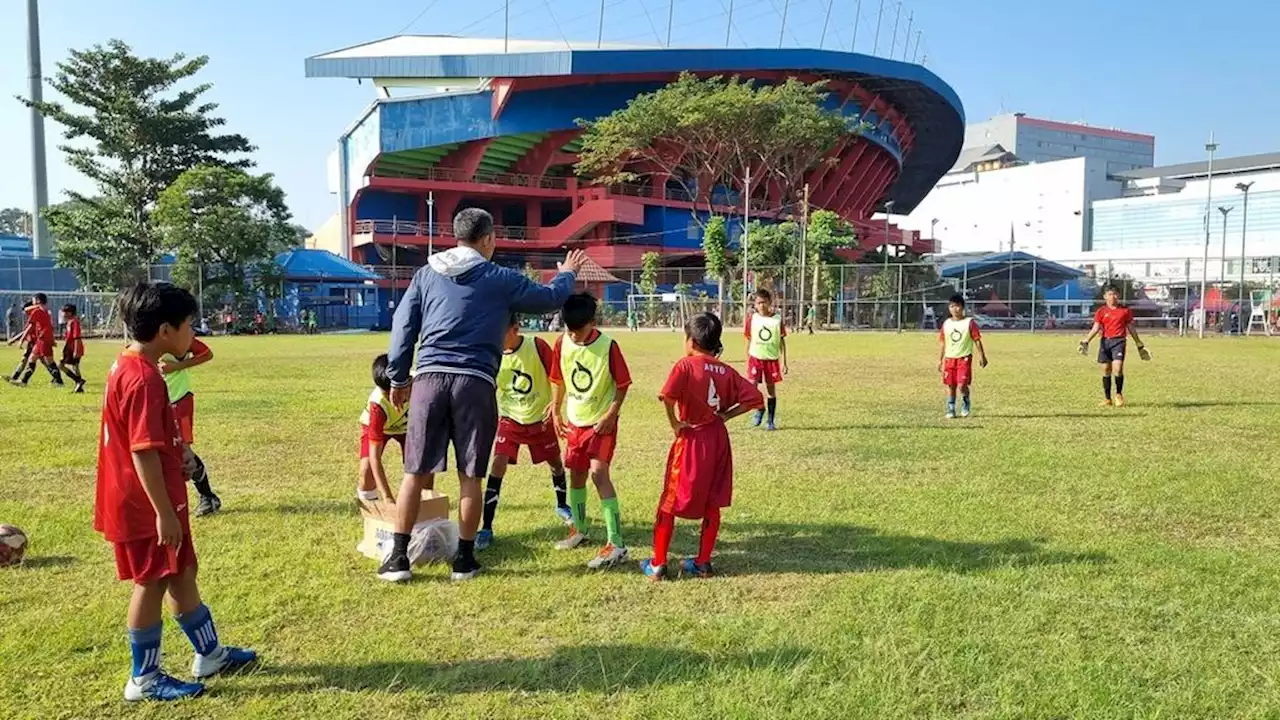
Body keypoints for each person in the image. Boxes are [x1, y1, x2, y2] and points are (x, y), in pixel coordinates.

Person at [380, 208, 584, 583]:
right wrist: (568, 272)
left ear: (456, 236)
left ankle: (397, 559)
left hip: (428, 379)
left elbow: (403, 325)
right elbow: (549, 297)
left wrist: (397, 377)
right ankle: (464, 561)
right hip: (474, 382)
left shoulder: (425, 274)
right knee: (470, 475)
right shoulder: (500, 277)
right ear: (488, 239)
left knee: (414, 472)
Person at [95, 282, 255, 702]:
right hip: (146, 503)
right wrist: (163, 512)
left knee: (182, 571)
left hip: (160, 494)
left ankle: (210, 654)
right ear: (166, 329)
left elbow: (149, 440)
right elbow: (142, 452)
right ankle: (143, 679)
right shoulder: (144, 379)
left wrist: (179, 454)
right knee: (151, 580)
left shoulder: (129, 364)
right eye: (189, 325)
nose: (193, 333)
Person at [641, 313, 763, 581]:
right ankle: (703, 562)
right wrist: (727, 416)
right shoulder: (727, 370)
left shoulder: (685, 366)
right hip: (718, 439)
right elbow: (756, 398)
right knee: (712, 500)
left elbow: (668, 397)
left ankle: (658, 563)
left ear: (691, 340)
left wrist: (675, 423)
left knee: (669, 501)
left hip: (692, 437)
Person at [550, 292, 632, 569]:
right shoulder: (562, 342)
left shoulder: (609, 346)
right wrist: (556, 408)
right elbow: (558, 378)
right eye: (569, 330)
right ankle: (580, 529)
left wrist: (611, 414)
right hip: (575, 421)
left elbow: (622, 384)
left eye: (579, 330)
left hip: (601, 422)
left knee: (599, 473)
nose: (573, 335)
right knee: (576, 474)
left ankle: (616, 543)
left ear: (593, 322)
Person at [478, 312, 572, 551]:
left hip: (540, 416)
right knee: (498, 463)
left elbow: (557, 374)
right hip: (510, 418)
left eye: (502, 333)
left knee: (554, 462)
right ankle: (486, 527)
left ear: (515, 329)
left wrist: (556, 403)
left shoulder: (537, 346)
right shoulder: (493, 355)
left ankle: (562, 505)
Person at [160, 335, 221, 516]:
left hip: (180, 399)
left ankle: (208, 497)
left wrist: (176, 367)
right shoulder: (149, 333)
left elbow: (207, 354)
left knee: (183, 450)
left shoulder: (180, 334)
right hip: (159, 400)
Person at [1079, 286, 1151, 407]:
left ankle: (1118, 394)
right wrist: (1086, 341)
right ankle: (1107, 399)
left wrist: (1139, 343)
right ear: (1105, 296)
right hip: (1105, 342)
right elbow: (1095, 328)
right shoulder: (1101, 311)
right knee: (1106, 370)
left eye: (1115, 294)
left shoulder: (1125, 310)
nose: (1113, 297)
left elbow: (1131, 328)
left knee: (1118, 369)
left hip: (1119, 341)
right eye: (1110, 294)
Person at [357, 354, 407, 504]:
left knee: (422, 466)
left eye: (398, 392)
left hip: (406, 428)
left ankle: (423, 504)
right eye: (387, 394)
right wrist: (387, 497)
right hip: (381, 427)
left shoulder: (419, 385)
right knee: (366, 474)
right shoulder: (377, 405)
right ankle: (371, 510)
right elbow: (375, 457)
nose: (394, 399)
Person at [938, 294, 989, 419]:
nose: (955, 309)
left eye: (957, 306)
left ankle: (966, 402)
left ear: (962, 307)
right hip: (950, 359)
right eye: (952, 306)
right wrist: (940, 360)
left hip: (964, 358)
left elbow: (977, 340)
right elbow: (943, 343)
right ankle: (951, 408)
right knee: (951, 385)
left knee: (962, 385)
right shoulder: (947, 324)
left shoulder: (969, 323)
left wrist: (982, 356)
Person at [744, 288, 788, 430]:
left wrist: (784, 362)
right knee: (752, 387)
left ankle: (770, 421)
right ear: (755, 305)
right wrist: (747, 357)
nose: (761, 305)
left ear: (770, 302)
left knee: (770, 390)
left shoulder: (777, 319)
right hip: (755, 358)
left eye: (764, 302)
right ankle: (760, 408)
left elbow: (782, 341)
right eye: (758, 303)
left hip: (771, 359)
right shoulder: (752, 319)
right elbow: (748, 339)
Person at [7, 292, 63, 387]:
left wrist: (21, 340)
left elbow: (30, 327)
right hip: (43, 339)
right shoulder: (46, 311)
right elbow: (49, 326)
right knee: (32, 358)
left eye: (33, 300)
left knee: (49, 361)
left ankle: (59, 381)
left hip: (43, 338)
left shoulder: (37, 311)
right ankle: (24, 381)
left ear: (37, 301)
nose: (32, 302)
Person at [59, 303, 87, 393]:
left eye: (64, 312)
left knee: (61, 365)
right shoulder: (70, 322)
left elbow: (76, 337)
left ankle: (78, 381)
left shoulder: (74, 322)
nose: (63, 314)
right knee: (75, 366)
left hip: (73, 348)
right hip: (69, 348)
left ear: (70, 313)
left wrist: (76, 350)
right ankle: (79, 386)